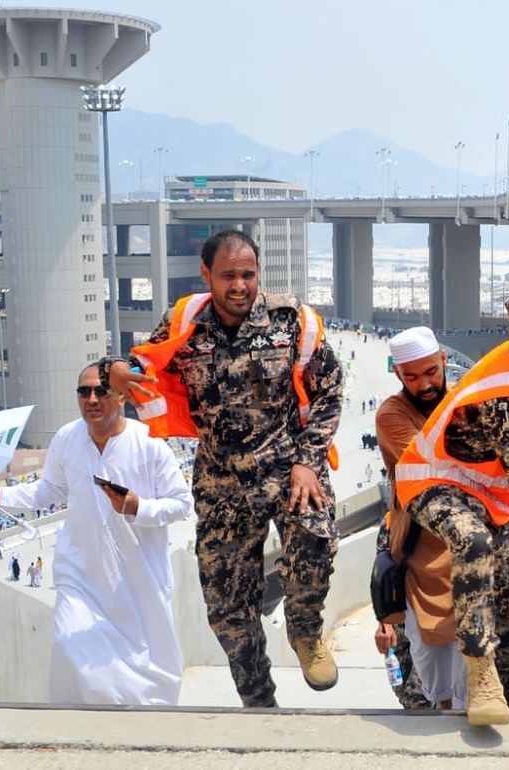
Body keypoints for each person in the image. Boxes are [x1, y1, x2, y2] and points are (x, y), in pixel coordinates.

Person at [106, 229, 344, 708]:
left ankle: (305, 630)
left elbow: (330, 389)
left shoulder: (290, 319)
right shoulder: (183, 323)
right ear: (206, 275)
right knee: (227, 607)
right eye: (228, 275)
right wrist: (113, 367)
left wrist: (308, 462)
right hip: (222, 483)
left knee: (315, 539)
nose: (239, 286)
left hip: (288, 468)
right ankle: (258, 702)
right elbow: (138, 365)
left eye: (248, 275)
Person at [396, 281, 509, 727]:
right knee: (474, 542)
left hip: (484, 493)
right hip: (432, 480)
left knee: (508, 603)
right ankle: (479, 673)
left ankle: (498, 698)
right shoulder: (505, 394)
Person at [0, 360, 193, 704]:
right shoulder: (67, 438)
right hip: (80, 574)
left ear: (121, 396)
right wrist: (2, 495)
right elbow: (49, 489)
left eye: (101, 391)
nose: (92, 399)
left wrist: (138, 507)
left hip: (139, 579)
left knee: (142, 673)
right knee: (70, 646)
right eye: (84, 391)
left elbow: (181, 503)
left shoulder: (149, 443)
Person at [372, 327, 457, 710]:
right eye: (411, 377)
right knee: (432, 678)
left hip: (472, 545)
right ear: (398, 374)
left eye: (431, 372)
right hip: (420, 550)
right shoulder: (393, 414)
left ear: (443, 361)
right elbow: (430, 466)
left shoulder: (465, 400)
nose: (424, 385)